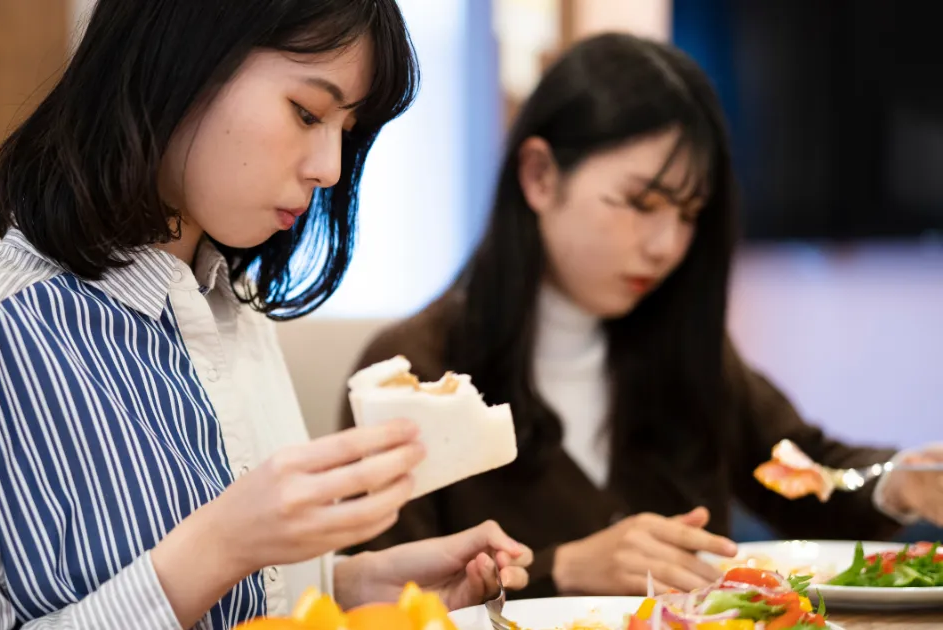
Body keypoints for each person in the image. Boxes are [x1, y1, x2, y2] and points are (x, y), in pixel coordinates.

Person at [0, 1, 535, 628]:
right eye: (306, 112)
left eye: (346, 131)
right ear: (179, 60)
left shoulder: (235, 319)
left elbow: (255, 602)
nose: (330, 167)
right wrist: (220, 544)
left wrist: (356, 589)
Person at [339, 32, 943, 600]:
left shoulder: (679, 343)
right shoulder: (414, 372)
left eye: (688, 213)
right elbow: (382, 599)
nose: (666, 245)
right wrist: (564, 569)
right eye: (641, 203)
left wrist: (899, 479)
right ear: (540, 177)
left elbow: (809, 474)